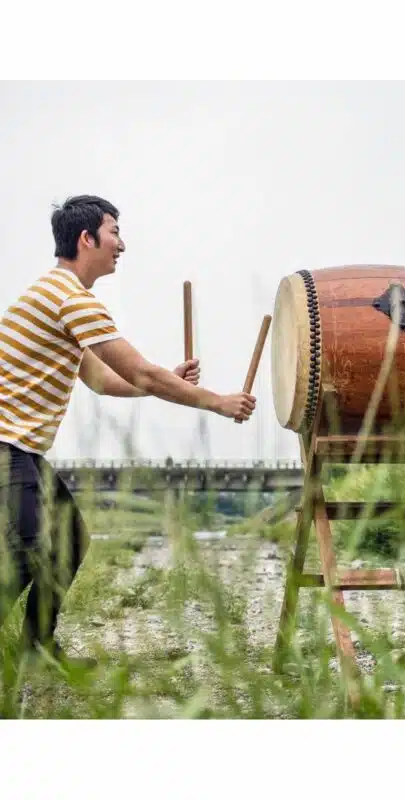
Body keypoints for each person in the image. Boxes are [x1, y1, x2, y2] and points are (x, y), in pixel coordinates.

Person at [0, 195, 257, 666]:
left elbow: (101, 379)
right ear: (87, 238)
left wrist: (169, 382)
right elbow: (141, 373)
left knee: (70, 538)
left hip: (22, 448)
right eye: (114, 232)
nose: (122, 245)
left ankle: (36, 648)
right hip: (5, 444)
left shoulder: (59, 296)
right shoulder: (71, 299)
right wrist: (217, 402)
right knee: (32, 549)